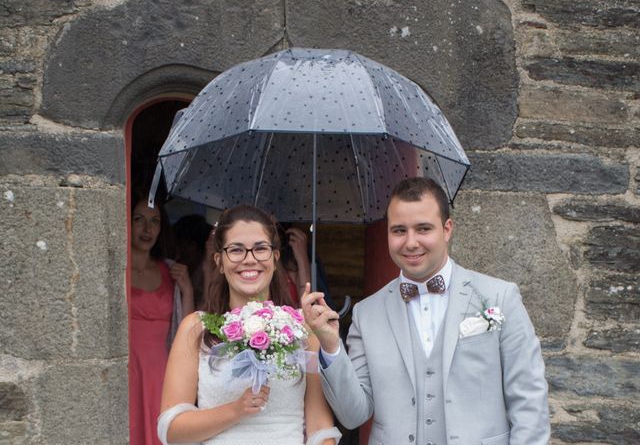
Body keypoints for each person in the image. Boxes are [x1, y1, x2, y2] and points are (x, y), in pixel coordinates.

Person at [303, 177, 550, 445]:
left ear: (447, 229)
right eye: (399, 230)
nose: (410, 242)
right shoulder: (367, 313)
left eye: (423, 229)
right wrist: (330, 346)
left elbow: (529, 402)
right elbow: (354, 414)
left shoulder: (500, 297)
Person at [157, 205, 341, 445]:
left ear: (275, 259)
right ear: (219, 261)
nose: (249, 259)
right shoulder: (195, 328)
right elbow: (171, 429)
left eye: (260, 249)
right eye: (236, 250)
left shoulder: (304, 329)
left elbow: (320, 427)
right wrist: (235, 411)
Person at [129, 193, 195, 445]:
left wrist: (187, 289)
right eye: (139, 219)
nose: (147, 229)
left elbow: (187, 330)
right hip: (127, 368)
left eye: (155, 221)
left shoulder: (171, 270)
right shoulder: (115, 269)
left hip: (163, 370)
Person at [172, 214, 214, 308]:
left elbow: (206, 311)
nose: (178, 251)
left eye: (182, 244)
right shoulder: (181, 270)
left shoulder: (207, 274)